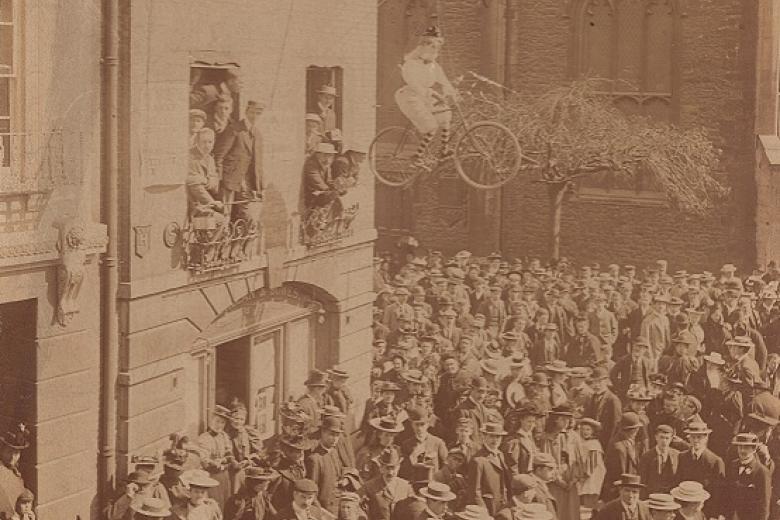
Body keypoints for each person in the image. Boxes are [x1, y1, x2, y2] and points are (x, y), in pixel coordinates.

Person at [394, 25, 458, 168]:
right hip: (409, 97)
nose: (435, 50)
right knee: (431, 126)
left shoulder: (434, 66)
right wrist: (432, 93)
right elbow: (414, 84)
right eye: (431, 46)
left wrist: (453, 93)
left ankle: (444, 150)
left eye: (437, 47)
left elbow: (444, 81)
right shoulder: (410, 64)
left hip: (426, 97)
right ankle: (416, 156)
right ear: (423, 47)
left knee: (446, 114)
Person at [213, 100, 264, 223]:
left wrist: (259, 186)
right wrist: (219, 178)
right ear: (246, 112)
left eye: (258, 113)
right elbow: (219, 155)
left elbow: (258, 163)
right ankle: (221, 240)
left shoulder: (257, 134)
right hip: (229, 178)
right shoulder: (234, 129)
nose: (254, 116)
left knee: (245, 215)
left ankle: (238, 241)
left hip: (245, 182)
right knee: (225, 212)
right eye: (252, 112)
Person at [674, 421, 723, 519]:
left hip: (705, 511)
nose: (695, 440)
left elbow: (718, 492)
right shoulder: (682, 457)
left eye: (699, 437)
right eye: (693, 437)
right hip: (684, 510)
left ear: (706, 438)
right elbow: (678, 481)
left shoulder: (715, 461)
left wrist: (714, 515)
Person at [722, 432, 771, 520]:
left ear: (754, 449)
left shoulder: (761, 472)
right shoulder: (733, 465)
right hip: (731, 516)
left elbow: (764, 504)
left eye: (746, 447)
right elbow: (727, 493)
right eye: (740, 447)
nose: (742, 451)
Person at [466, 422, 512, 516]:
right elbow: (474, 492)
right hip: (488, 508)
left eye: (498, 437)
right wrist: (483, 512)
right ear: (484, 437)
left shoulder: (500, 455)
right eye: (491, 436)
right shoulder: (478, 460)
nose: (495, 440)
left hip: (502, 507)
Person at [305, 416, 345, 515]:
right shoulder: (315, 459)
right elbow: (311, 493)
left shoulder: (334, 452)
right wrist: (321, 513)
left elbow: (338, 473)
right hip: (325, 510)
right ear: (323, 432)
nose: (334, 439)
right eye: (331, 434)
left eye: (337, 435)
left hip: (338, 505)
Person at [196, 405, 233, 509]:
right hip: (212, 476)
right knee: (215, 504)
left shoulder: (224, 436)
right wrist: (216, 462)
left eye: (222, 422)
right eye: (217, 421)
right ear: (211, 420)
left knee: (226, 502)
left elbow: (229, 454)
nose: (219, 425)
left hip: (224, 476)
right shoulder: (204, 438)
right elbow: (204, 460)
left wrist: (223, 459)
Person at [364, 448, 414, 520]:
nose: (390, 472)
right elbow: (360, 508)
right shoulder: (369, 486)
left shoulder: (406, 486)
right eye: (387, 468)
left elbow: (412, 510)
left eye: (393, 468)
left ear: (398, 468)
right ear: (381, 468)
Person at [637, 425, 680, 497]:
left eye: (667, 438)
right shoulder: (647, 457)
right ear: (656, 437)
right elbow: (642, 481)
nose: (664, 441)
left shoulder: (677, 455)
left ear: (671, 439)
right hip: (652, 496)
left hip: (671, 496)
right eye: (661, 437)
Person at [0, 424, 29, 519]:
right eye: (8, 452)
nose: (12, 458)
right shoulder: (2, 472)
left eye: (16, 453)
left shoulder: (13, 470)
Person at [303, 142, 339, 209]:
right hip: (311, 194)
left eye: (330, 155)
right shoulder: (311, 164)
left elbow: (329, 180)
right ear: (318, 154)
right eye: (325, 155)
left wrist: (335, 186)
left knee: (337, 194)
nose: (328, 157)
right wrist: (328, 190)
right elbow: (317, 181)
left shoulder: (326, 164)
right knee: (332, 196)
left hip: (321, 191)